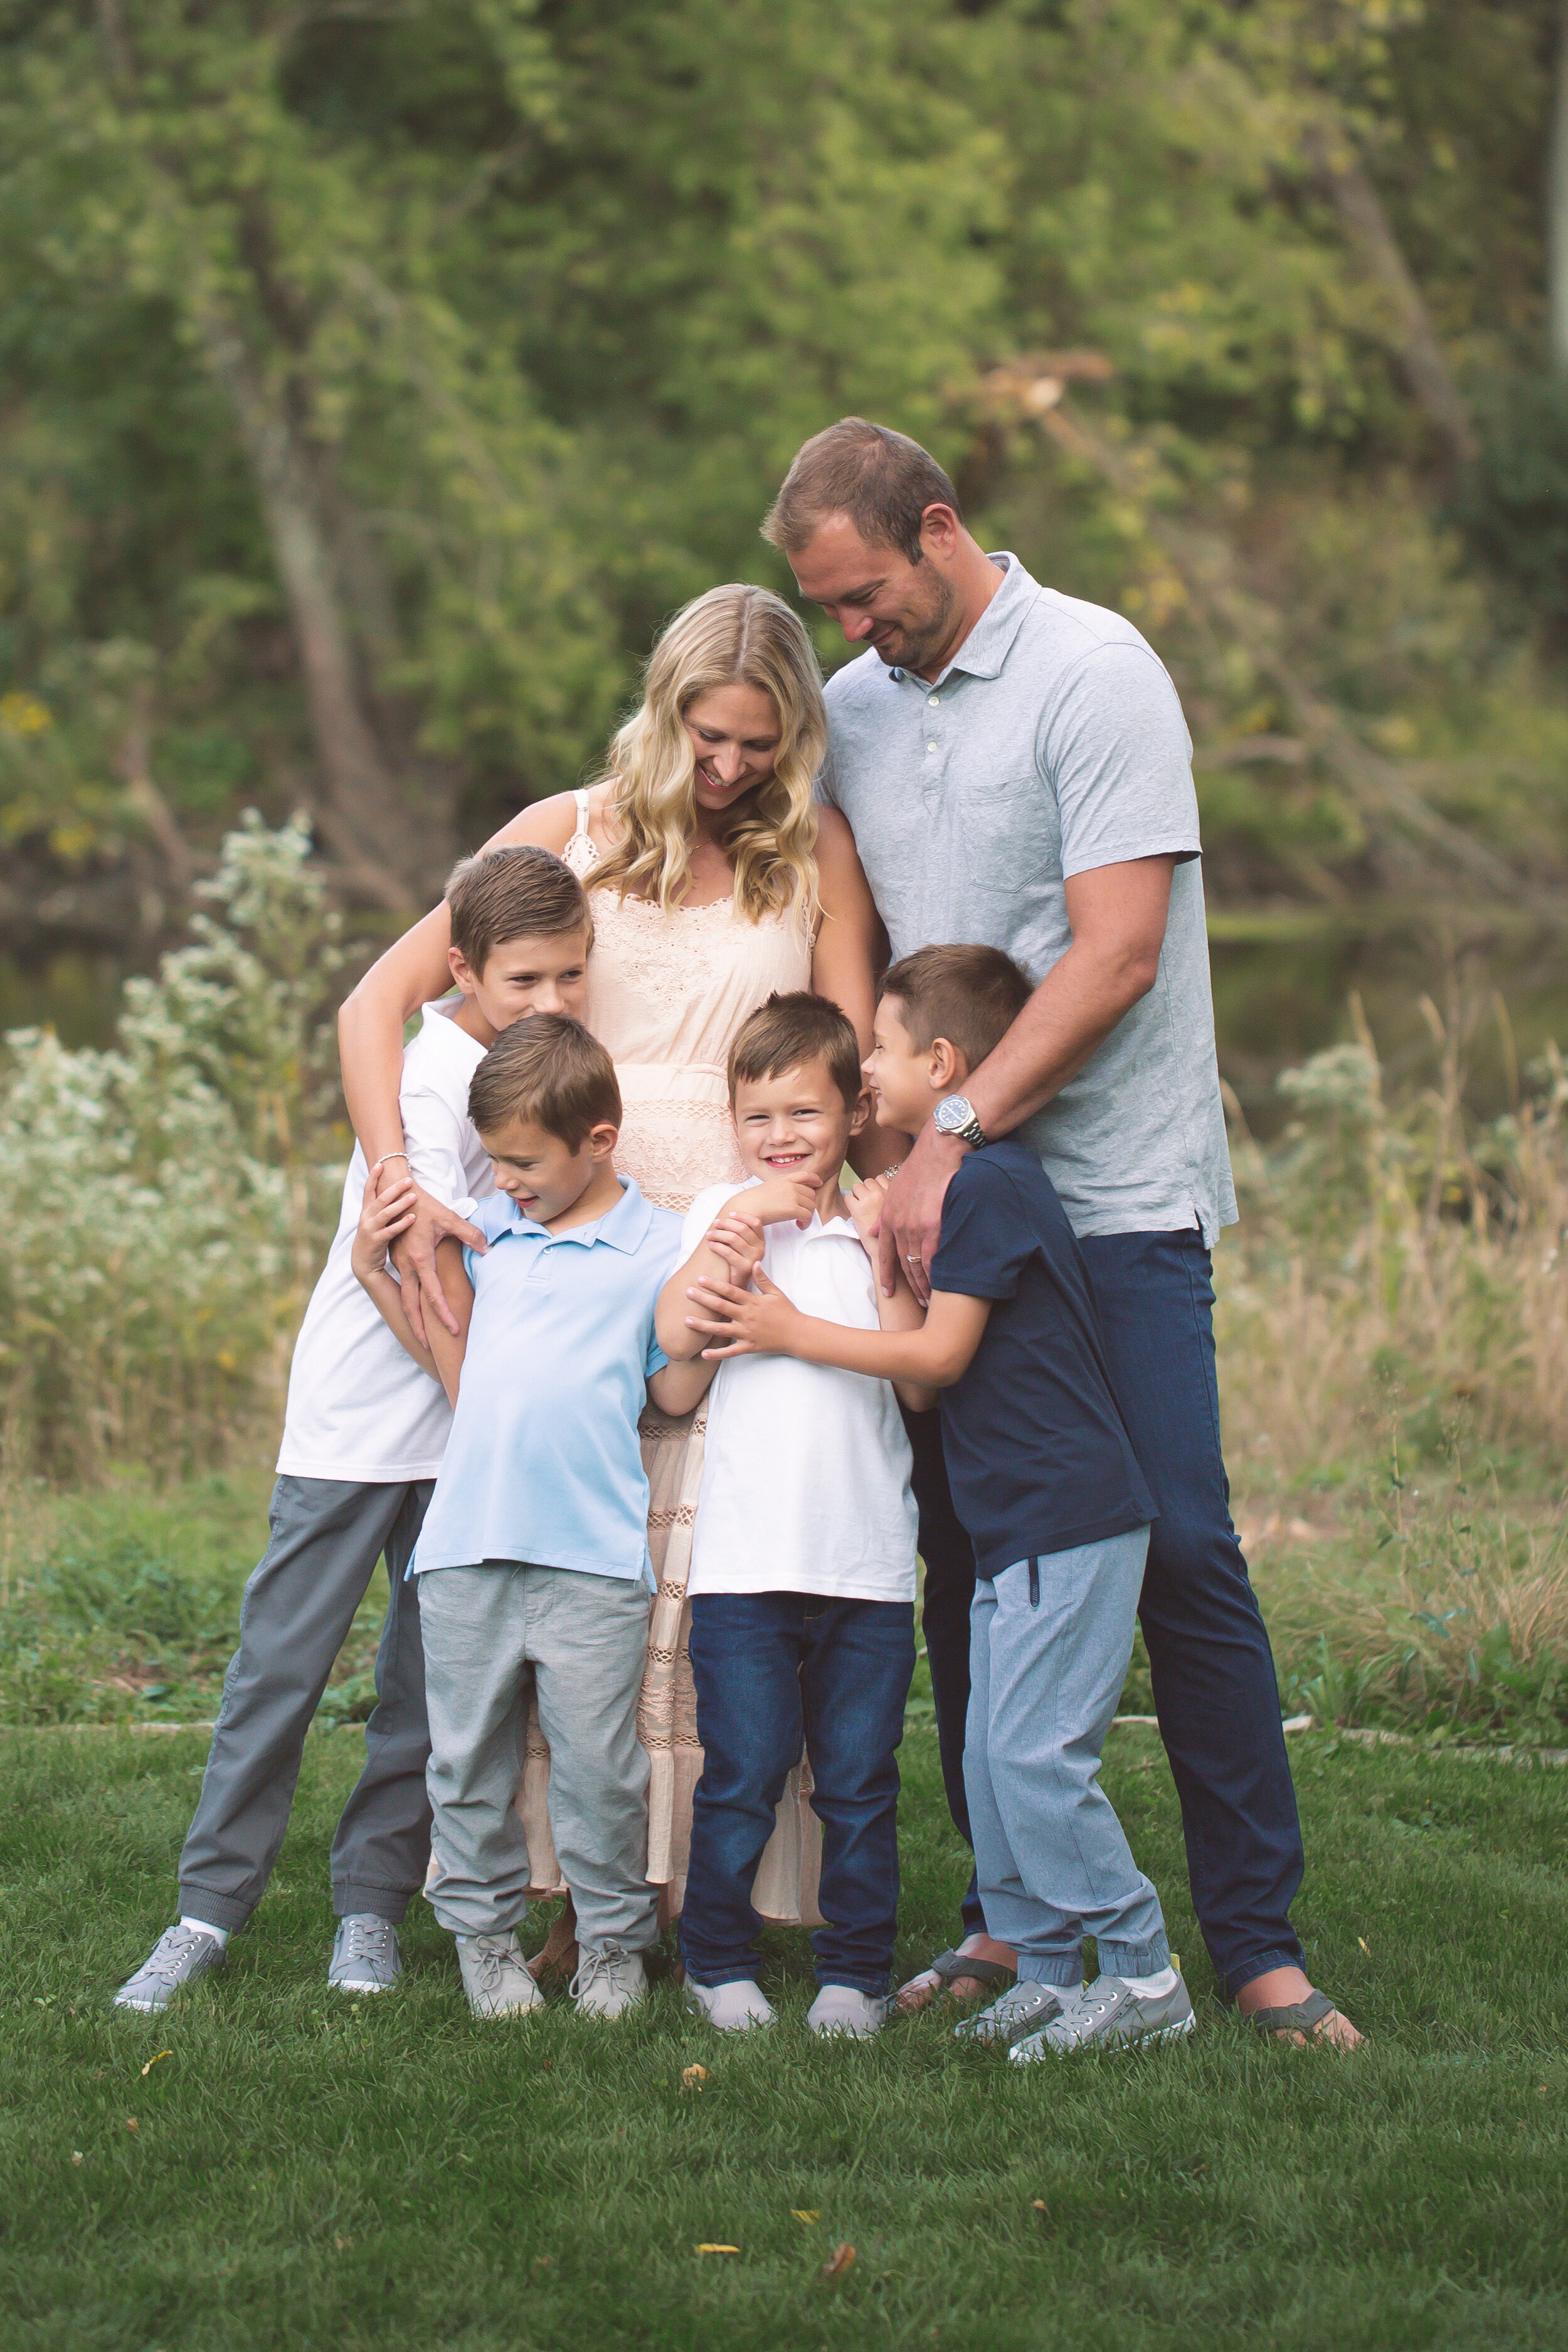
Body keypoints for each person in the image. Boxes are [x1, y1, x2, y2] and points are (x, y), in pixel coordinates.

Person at [761, 418, 1359, 2046]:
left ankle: (1254, 1939)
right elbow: (851, 929)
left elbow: (1115, 953)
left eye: (867, 595)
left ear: (938, 527)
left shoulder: (1095, 673)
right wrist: (865, 1137)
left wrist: (949, 1135)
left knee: (1176, 1544)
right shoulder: (856, 712)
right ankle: (1012, 1924)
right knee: (974, 1556)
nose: (852, 632)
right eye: (827, 608)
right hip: (941, 1201)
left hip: (1114, 1198)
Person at [336, 583, 889, 1973]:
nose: (730, 767)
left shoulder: (809, 846)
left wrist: (859, 1195)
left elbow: (852, 1061)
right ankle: (573, 1894)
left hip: (737, 1235)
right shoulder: (562, 832)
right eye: (708, 736)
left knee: (701, 1592)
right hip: (568, 1239)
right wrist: (396, 1170)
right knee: (574, 1570)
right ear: (662, 711)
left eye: (760, 742)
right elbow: (381, 1000)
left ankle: (686, 1892)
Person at [685, 945, 1192, 2056]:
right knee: (988, 1760)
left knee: (1034, 1759)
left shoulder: (988, 1184)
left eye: (879, 1047)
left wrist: (790, 1328)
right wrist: (876, 1269)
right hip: (1012, 1524)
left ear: (944, 1063)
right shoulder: (935, 1194)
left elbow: (943, 1358)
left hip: (1066, 1513)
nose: (868, 1068)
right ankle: (1046, 1970)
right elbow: (915, 1373)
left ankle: (1143, 1966)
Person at [113, 846, 592, 2015]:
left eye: (570, 975)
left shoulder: (547, 1072)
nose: (550, 1001)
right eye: (524, 979)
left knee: (425, 1689)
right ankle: (205, 1908)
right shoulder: (428, 1084)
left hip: (458, 1438)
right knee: (280, 1669)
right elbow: (430, 1281)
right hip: (359, 1423)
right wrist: (499, 1405)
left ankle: (371, 1906)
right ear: (463, 972)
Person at [360, 1015, 711, 2020]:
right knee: (468, 1762)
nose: (504, 1180)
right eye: (496, 1159)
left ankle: (614, 1946)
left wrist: (718, 1310)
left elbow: (673, 1393)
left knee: (600, 1771)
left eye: (523, 1162)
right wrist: (377, 1274)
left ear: (598, 1140)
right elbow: (459, 1374)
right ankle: (484, 1940)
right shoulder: (483, 1234)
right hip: (468, 1548)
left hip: (592, 1560)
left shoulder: (659, 1245)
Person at [654, 993, 924, 2037]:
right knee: (744, 1774)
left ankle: (855, 1972)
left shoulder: (876, 1222)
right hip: (744, 1565)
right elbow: (676, 1341)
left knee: (857, 1782)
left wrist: (882, 1246)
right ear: (733, 1124)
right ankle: (715, 1959)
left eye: (804, 1112)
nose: (781, 1136)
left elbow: (917, 1382)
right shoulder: (723, 1214)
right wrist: (740, 1225)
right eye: (757, 1116)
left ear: (854, 1112)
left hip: (864, 1563)